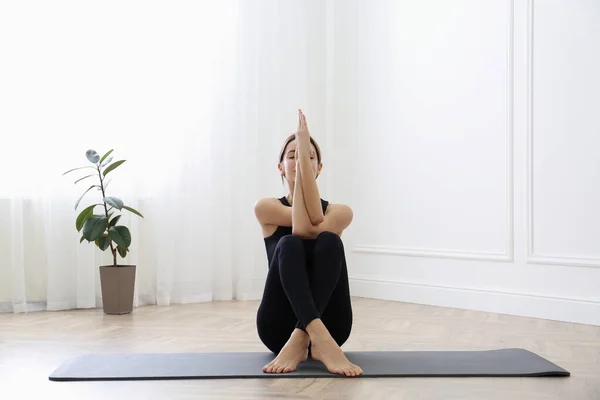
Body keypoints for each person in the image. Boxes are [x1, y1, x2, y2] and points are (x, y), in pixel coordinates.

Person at [253, 109, 363, 377]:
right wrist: (304, 158)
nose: (301, 161)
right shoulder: (266, 207)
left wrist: (302, 157)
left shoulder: (341, 211)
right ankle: (308, 339)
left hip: (333, 328)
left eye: (309, 157)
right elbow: (301, 228)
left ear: (320, 168)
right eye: (292, 157)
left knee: (329, 242)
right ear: (280, 167)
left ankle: (307, 338)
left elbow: (311, 225)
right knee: (289, 244)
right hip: (277, 329)